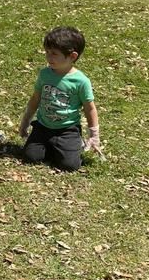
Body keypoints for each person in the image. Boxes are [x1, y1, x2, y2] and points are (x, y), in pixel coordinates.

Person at [19, 26, 101, 171]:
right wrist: (25, 121)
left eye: (54, 54)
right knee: (30, 157)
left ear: (72, 56)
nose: (49, 57)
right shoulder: (45, 74)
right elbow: (35, 99)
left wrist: (94, 134)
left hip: (67, 130)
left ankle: (73, 144)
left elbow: (90, 109)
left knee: (69, 165)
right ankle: (51, 145)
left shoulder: (81, 81)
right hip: (43, 126)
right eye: (47, 52)